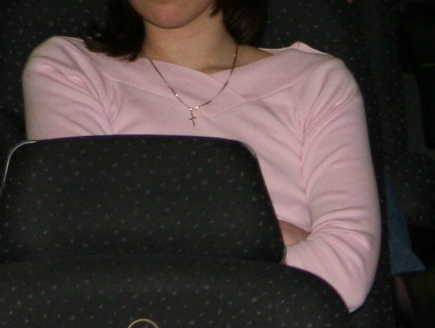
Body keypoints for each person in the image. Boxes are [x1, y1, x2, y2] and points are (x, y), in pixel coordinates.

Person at [25, 0, 382, 311]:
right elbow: (83, 247)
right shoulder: (69, 68)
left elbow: (344, 276)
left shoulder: (316, 82)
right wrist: (262, 232)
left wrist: (158, 223)